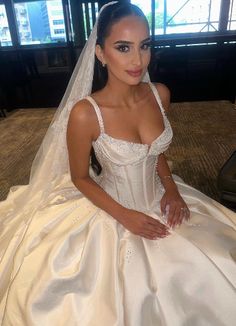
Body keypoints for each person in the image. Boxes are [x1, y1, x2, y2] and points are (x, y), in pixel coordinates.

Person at [0, 2, 235, 325]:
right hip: (113, 208)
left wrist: (171, 188)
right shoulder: (86, 113)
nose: (138, 60)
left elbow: (154, 153)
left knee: (216, 264)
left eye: (145, 46)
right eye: (123, 48)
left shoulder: (160, 94)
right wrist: (126, 216)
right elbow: (81, 177)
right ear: (100, 53)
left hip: (162, 199)